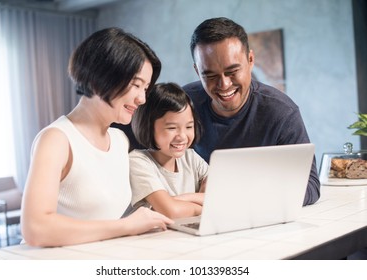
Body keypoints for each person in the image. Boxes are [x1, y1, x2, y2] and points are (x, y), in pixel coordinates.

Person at [21, 27, 173, 247]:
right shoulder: (56, 140)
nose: (142, 98)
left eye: (146, 88)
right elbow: (35, 228)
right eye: (136, 85)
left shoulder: (119, 140)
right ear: (100, 77)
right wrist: (127, 226)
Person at [183, 17, 320, 206]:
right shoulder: (182, 103)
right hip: (193, 214)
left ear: (250, 60)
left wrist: (243, 193)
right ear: (197, 72)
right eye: (211, 75)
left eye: (232, 71)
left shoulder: (282, 112)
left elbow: (310, 185)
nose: (224, 84)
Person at [129, 83, 208, 219]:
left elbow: (217, 195)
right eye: (172, 128)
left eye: (189, 127)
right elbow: (171, 212)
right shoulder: (137, 161)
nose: (182, 136)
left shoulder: (191, 157)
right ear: (148, 126)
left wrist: (181, 199)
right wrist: (202, 206)